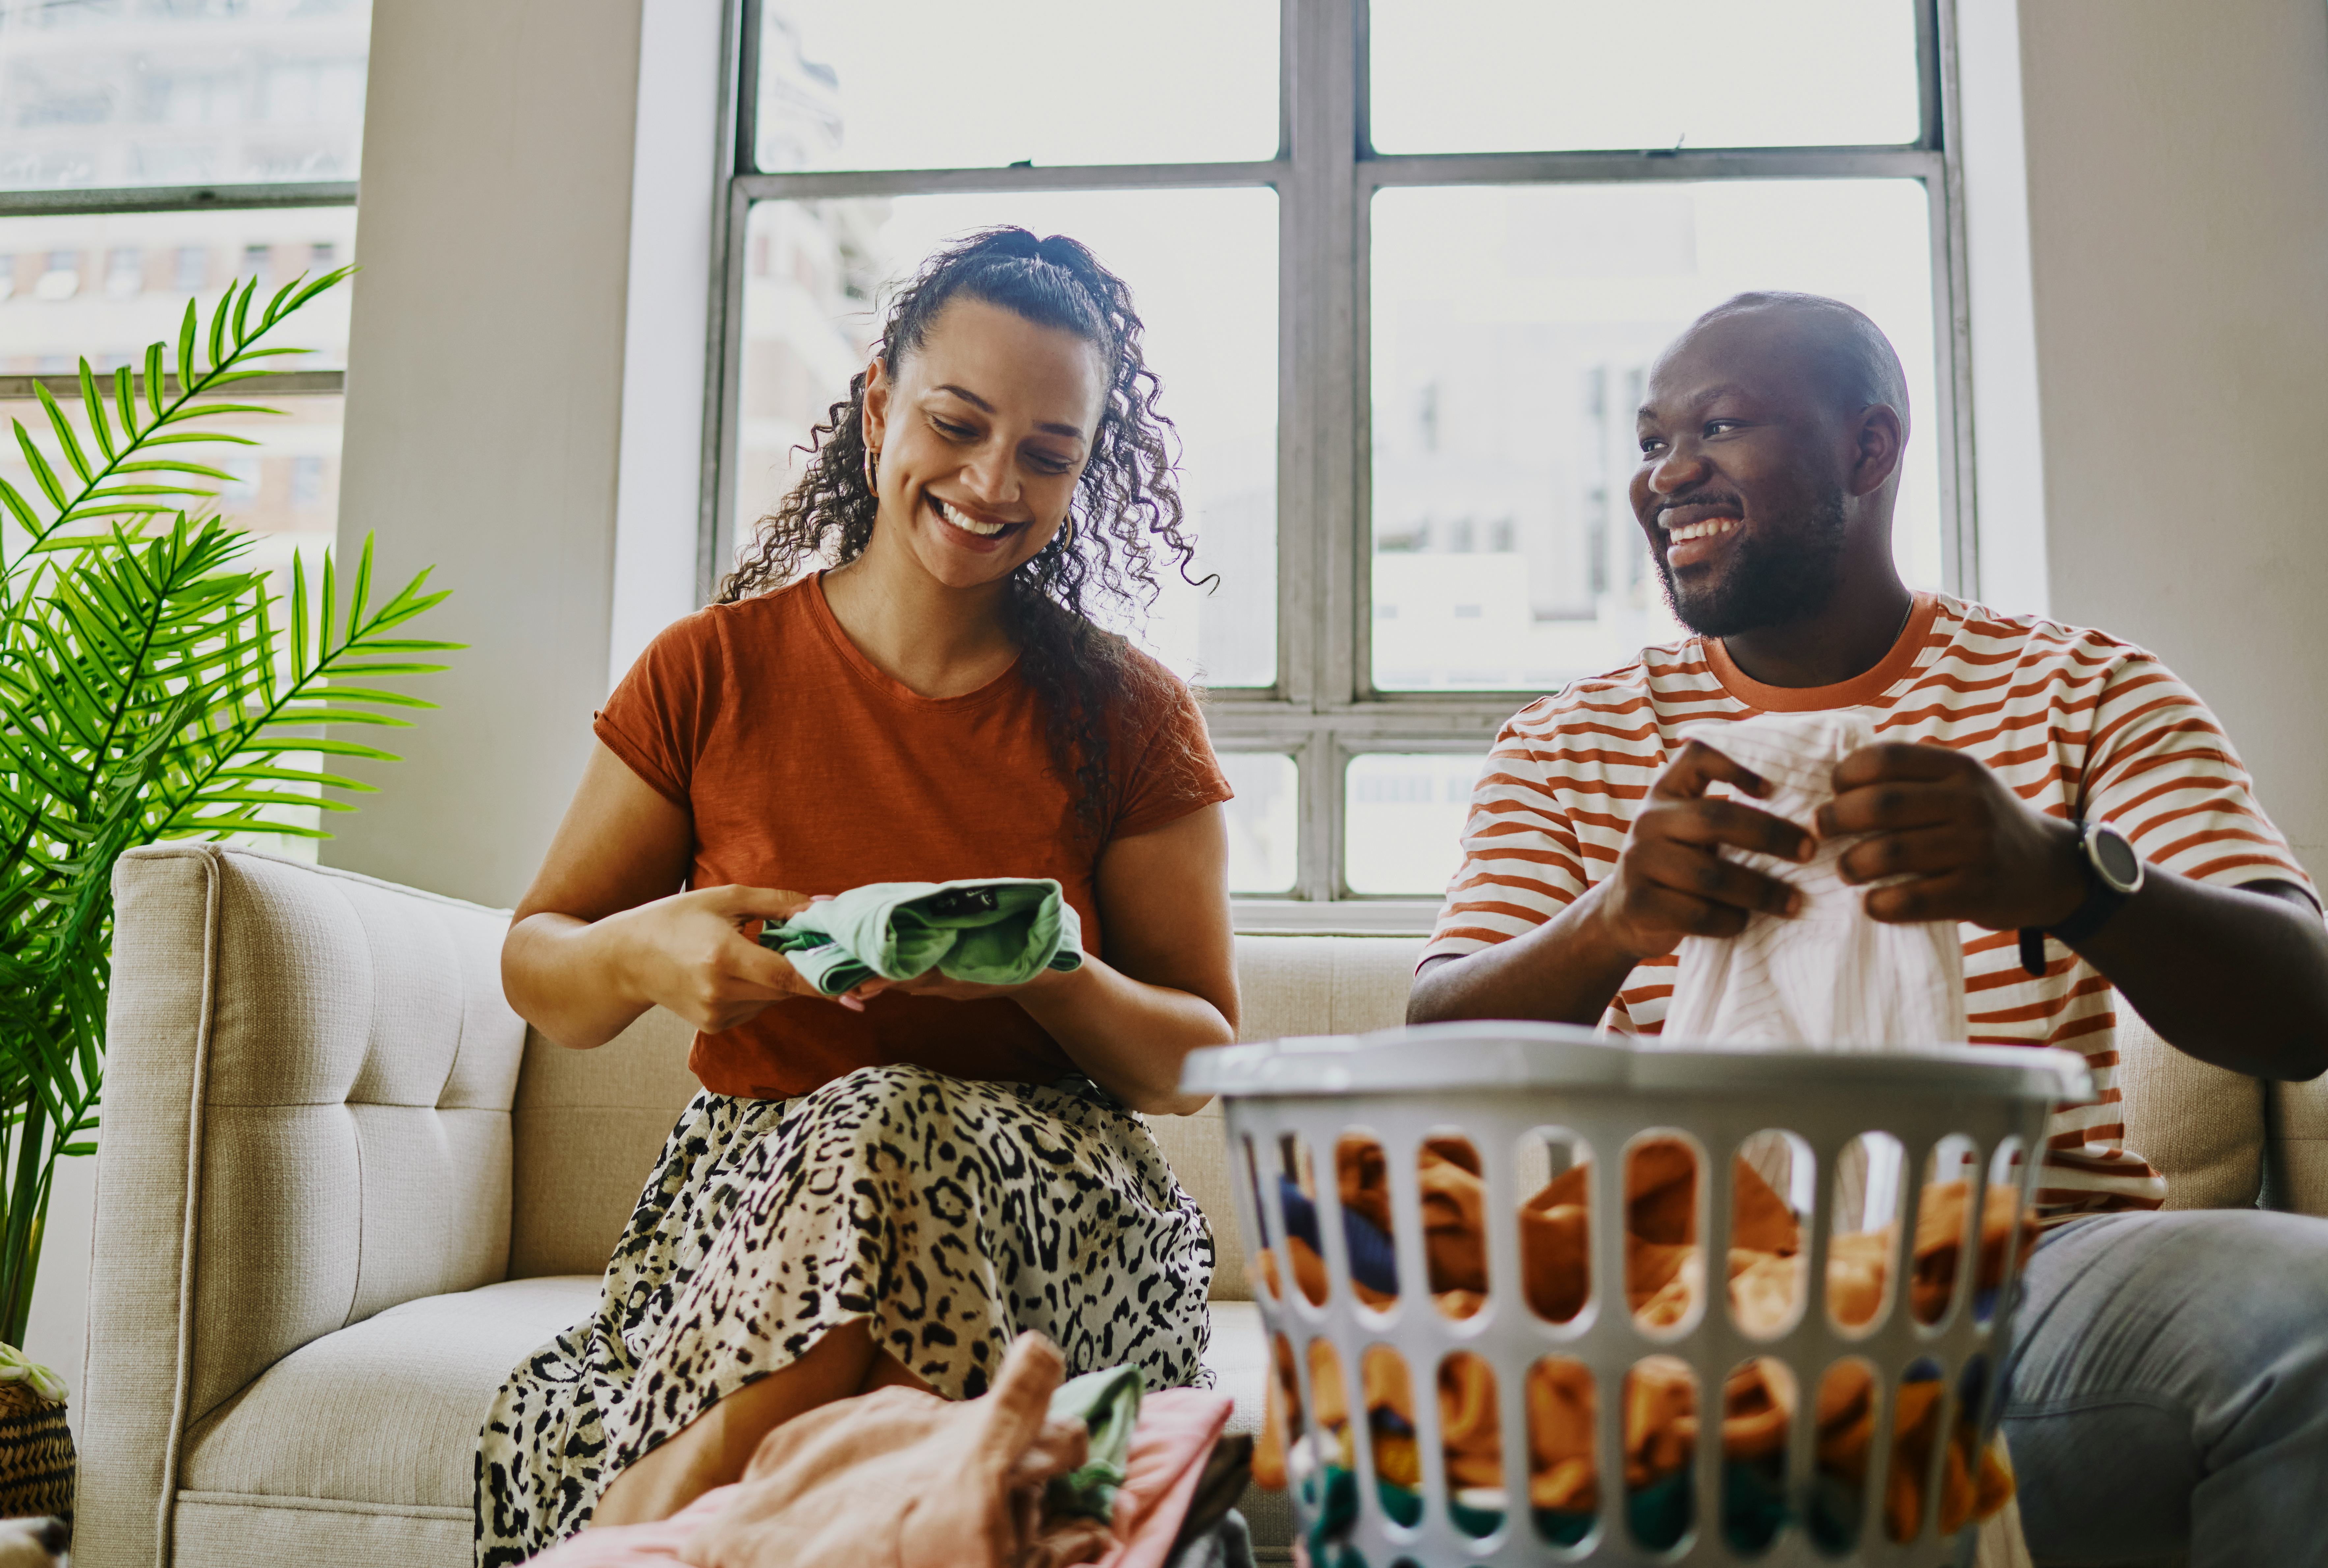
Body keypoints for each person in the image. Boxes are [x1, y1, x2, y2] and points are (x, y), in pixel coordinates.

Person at [1406, 292, 2328, 1563]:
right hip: (1669, 1300)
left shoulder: (2084, 693)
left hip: (2022, 1279)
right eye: (1647, 441)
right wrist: (1612, 920)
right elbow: (1433, 1045)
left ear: (1870, 450)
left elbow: (2302, 1005)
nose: (1667, 475)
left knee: (2309, 1318)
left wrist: (2068, 879)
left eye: (1718, 428)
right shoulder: (1568, 746)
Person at [475, 228, 1240, 1565]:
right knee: (865, 1179)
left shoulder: (1128, 712)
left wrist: (1043, 968)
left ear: (1083, 470)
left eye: (1050, 453)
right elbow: (539, 964)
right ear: (883, 404)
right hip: (754, 1195)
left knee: (892, 1118)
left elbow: (1195, 1059)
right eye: (958, 422)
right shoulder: (710, 671)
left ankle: (647, 1524)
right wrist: (650, 953)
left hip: (1055, 1204)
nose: (995, 480)